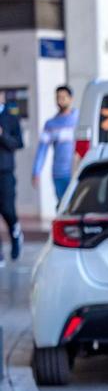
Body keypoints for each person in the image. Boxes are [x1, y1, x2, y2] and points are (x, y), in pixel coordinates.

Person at [32, 85, 79, 203]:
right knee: (62, 205)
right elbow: (42, 150)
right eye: (58, 98)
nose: (60, 101)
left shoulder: (79, 118)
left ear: (71, 98)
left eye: (63, 97)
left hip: (77, 171)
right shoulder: (51, 124)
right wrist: (36, 171)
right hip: (59, 173)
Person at [0, 90, 25, 262]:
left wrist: (3, 135)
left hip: (5, 172)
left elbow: (18, 143)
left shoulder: (10, 117)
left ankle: (16, 234)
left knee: (7, 210)